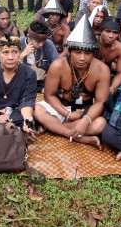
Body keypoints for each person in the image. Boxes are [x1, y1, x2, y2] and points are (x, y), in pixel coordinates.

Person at [34, 16, 110, 147]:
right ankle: (73, 135)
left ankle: (53, 126)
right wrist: (67, 115)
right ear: (69, 52)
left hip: (85, 110)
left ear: (93, 53)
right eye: (77, 52)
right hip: (61, 107)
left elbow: (100, 102)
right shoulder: (58, 65)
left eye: (87, 53)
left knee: (100, 124)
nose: (82, 58)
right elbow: (49, 95)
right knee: (37, 110)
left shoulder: (102, 70)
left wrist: (86, 120)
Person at [20, 21, 59, 92]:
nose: (41, 44)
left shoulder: (48, 44)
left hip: (43, 82)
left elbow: (57, 65)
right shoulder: (18, 44)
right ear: (28, 37)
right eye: (38, 41)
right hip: (22, 83)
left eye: (43, 41)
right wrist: (22, 55)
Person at [95, 18, 121, 94]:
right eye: (107, 31)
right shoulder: (92, 42)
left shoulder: (120, 49)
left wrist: (112, 89)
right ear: (101, 31)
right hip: (88, 76)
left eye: (115, 32)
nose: (111, 36)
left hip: (107, 77)